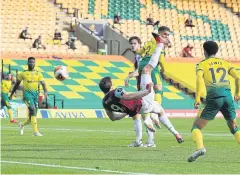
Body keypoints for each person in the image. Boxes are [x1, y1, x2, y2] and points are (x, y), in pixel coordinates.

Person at [187, 41, 240, 162]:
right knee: (234, 128)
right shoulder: (225, 62)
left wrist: (197, 97)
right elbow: (238, 77)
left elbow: (199, 78)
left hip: (214, 97)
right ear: (216, 51)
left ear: (204, 51)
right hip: (227, 97)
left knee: (196, 127)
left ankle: (200, 148)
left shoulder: (202, 64)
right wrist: (238, 93)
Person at [99, 76, 183, 144]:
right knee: (159, 108)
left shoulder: (104, 103)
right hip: (142, 103)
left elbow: (113, 118)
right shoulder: (116, 91)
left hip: (136, 111)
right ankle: (174, 132)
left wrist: (126, 112)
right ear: (110, 86)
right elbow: (129, 97)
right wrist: (147, 91)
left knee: (153, 108)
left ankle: (148, 120)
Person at [136, 29, 184, 143]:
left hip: (142, 64)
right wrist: (164, 70)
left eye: (168, 35)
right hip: (151, 65)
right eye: (165, 34)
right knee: (159, 90)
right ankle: (153, 115)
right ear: (160, 34)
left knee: (144, 93)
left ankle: (149, 118)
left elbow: (140, 52)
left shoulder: (149, 42)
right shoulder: (158, 43)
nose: (167, 36)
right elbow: (161, 59)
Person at [125, 36, 160, 147]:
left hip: (144, 88)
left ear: (140, 45)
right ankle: (143, 140)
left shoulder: (140, 56)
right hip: (142, 87)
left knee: (142, 114)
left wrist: (129, 76)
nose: (132, 45)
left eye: (135, 43)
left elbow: (139, 70)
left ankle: (146, 141)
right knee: (139, 114)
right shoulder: (137, 57)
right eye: (131, 43)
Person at [10, 57, 48, 136]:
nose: (31, 63)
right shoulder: (23, 73)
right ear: (27, 63)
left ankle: (22, 124)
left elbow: (43, 84)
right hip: (27, 95)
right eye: (30, 62)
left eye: (32, 62)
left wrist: (46, 92)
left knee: (32, 116)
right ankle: (35, 132)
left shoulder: (38, 73)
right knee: (32, 110)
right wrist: (11, 94)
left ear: (35, 63)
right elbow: (16, 84)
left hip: (35, 96)